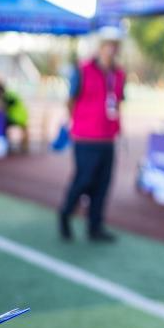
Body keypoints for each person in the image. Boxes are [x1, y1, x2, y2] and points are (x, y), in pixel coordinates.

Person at [59, 25, 126, 242]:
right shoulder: (83, 70)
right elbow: (70, 100)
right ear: (100, 46)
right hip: (85, 137)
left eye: (115, 45)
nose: (111, 49)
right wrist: (77, 121)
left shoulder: (119, 74)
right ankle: (65, 214)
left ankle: (94, 226)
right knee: (83, 180)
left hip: (108, 138)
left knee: (103, 184)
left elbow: (118, 102)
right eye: (108, 45)